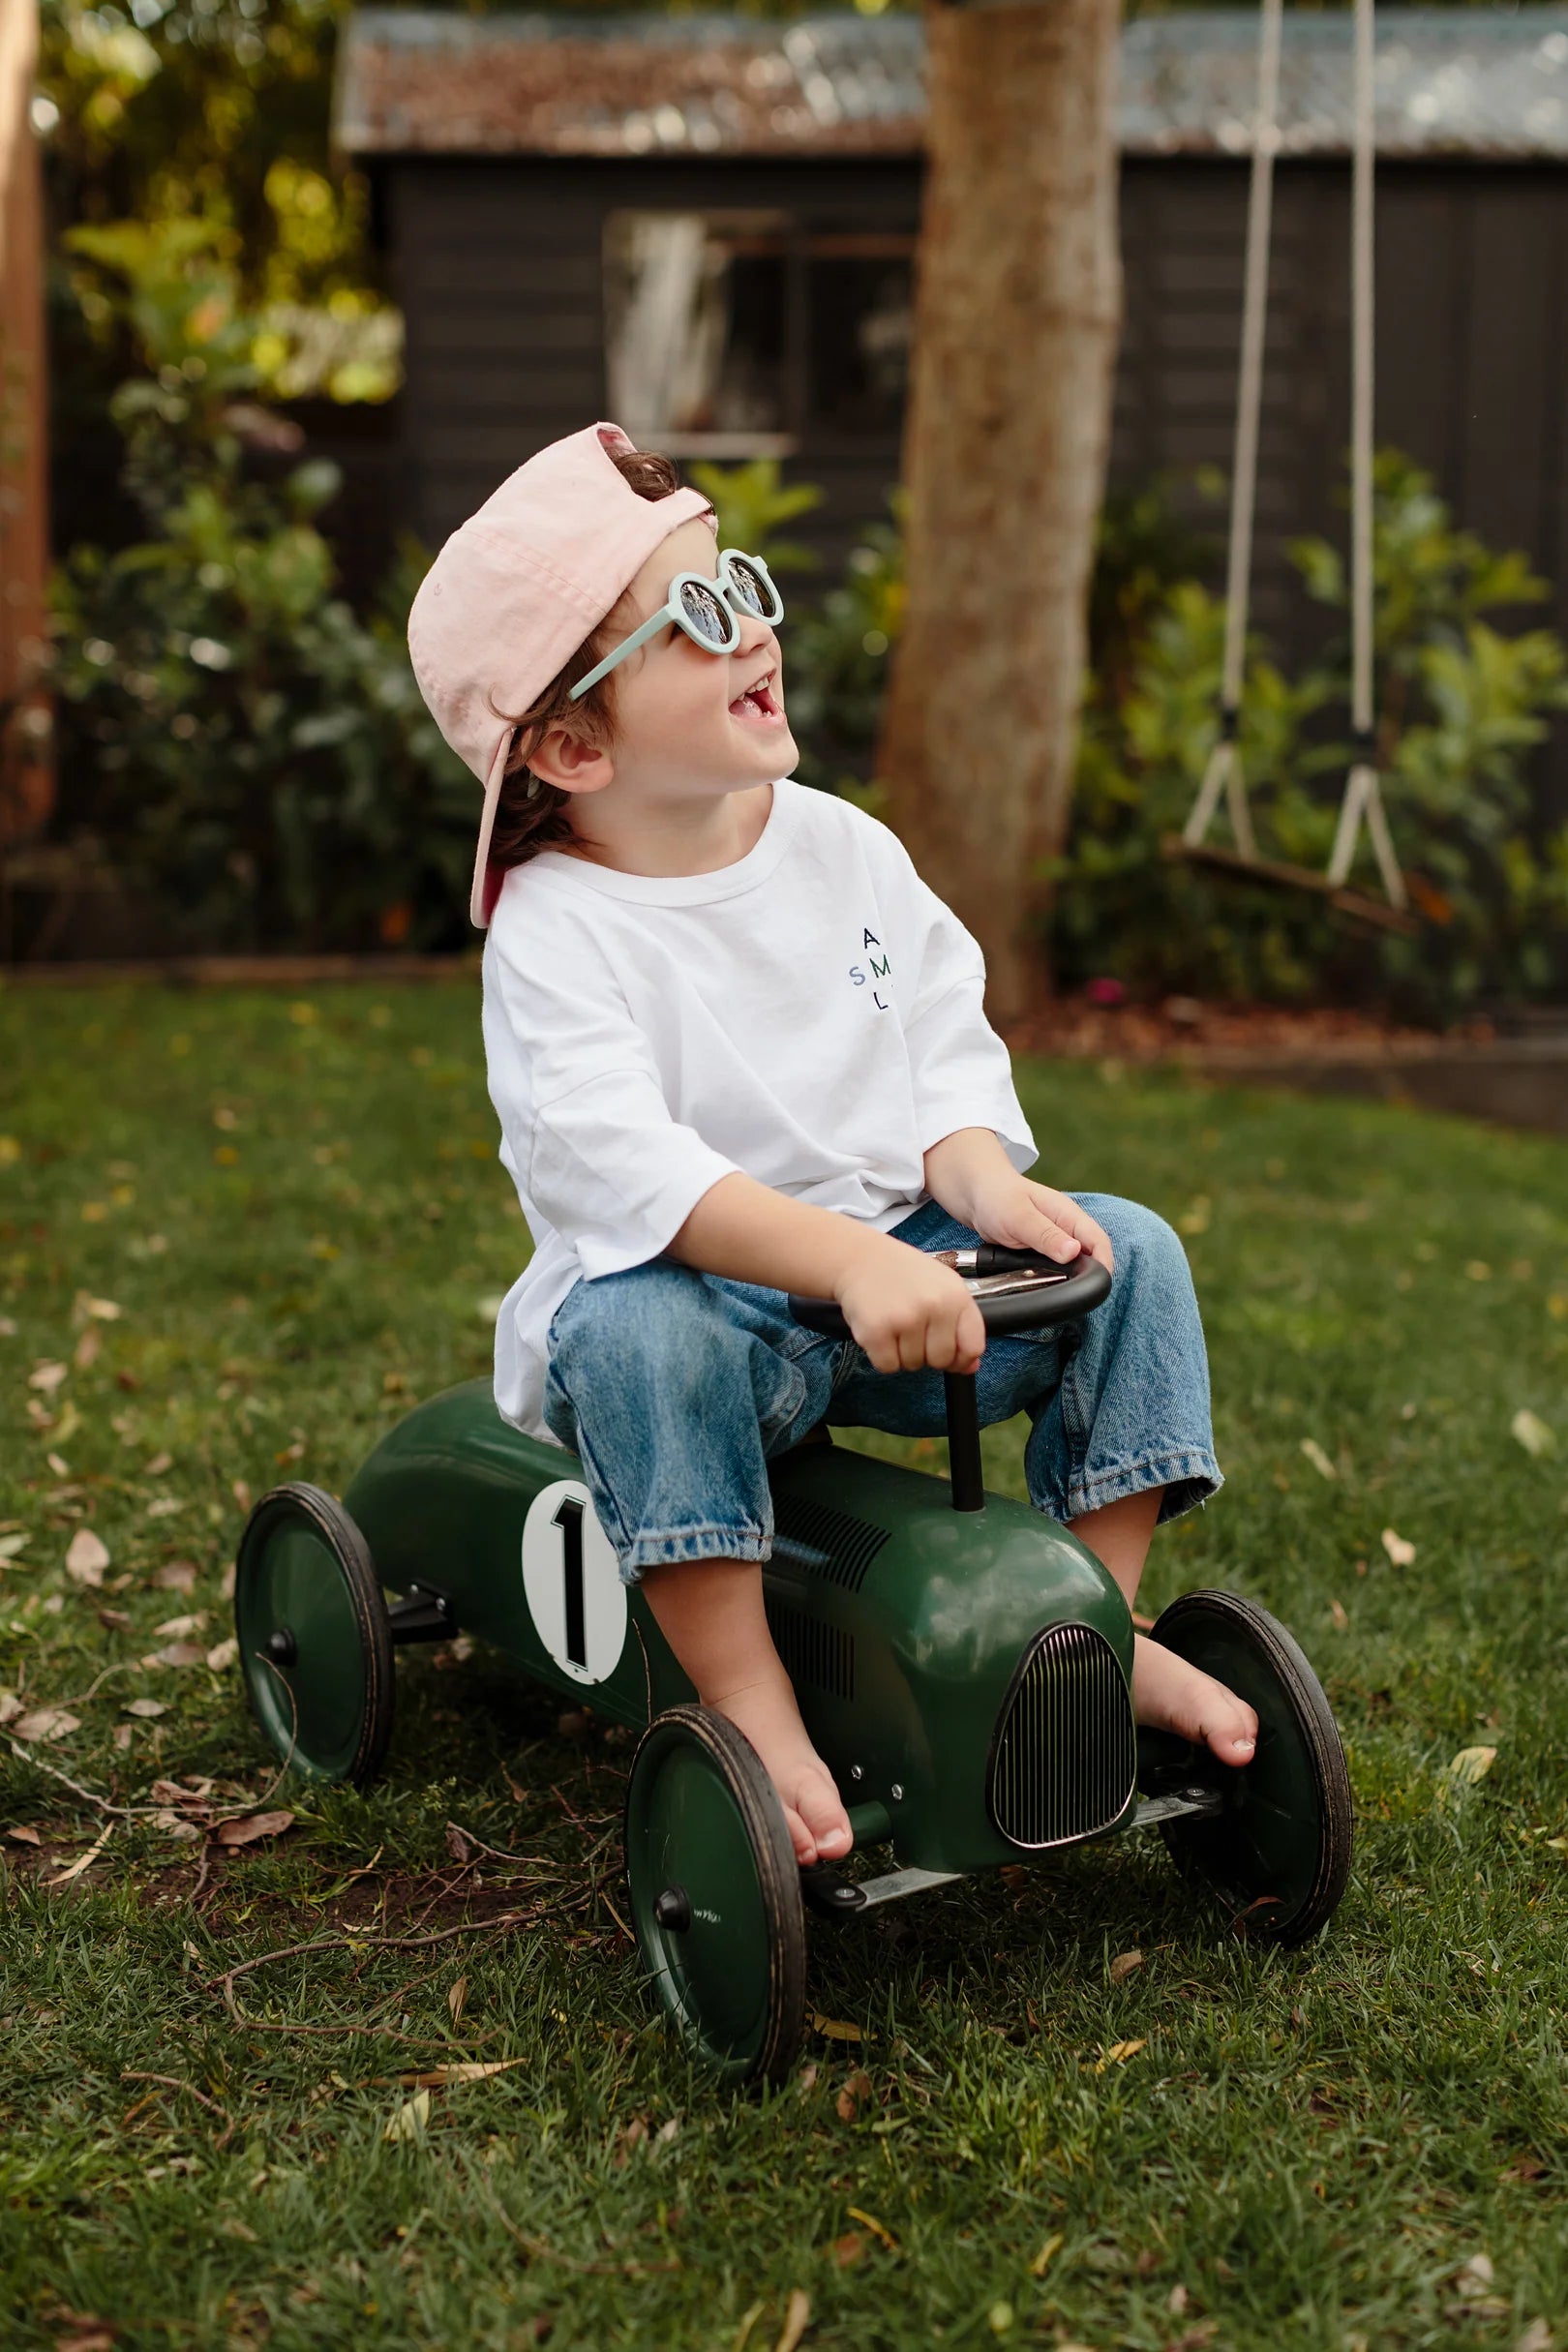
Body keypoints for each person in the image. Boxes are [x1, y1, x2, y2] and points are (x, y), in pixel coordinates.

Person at [408, 421, 1255, 1869]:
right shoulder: (562, 933)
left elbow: (938, 1036)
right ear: (573, 743)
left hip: (901, 1269)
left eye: (739, 583)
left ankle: (1091, 1620)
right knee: (632, 1336)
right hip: (722, 1299)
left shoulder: (842, 849)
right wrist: (842, 1258)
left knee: (1135, 1255)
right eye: (697, 618)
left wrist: (979, 1174)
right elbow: (621, 1166)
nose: (753, 633)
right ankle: (751, 1697)